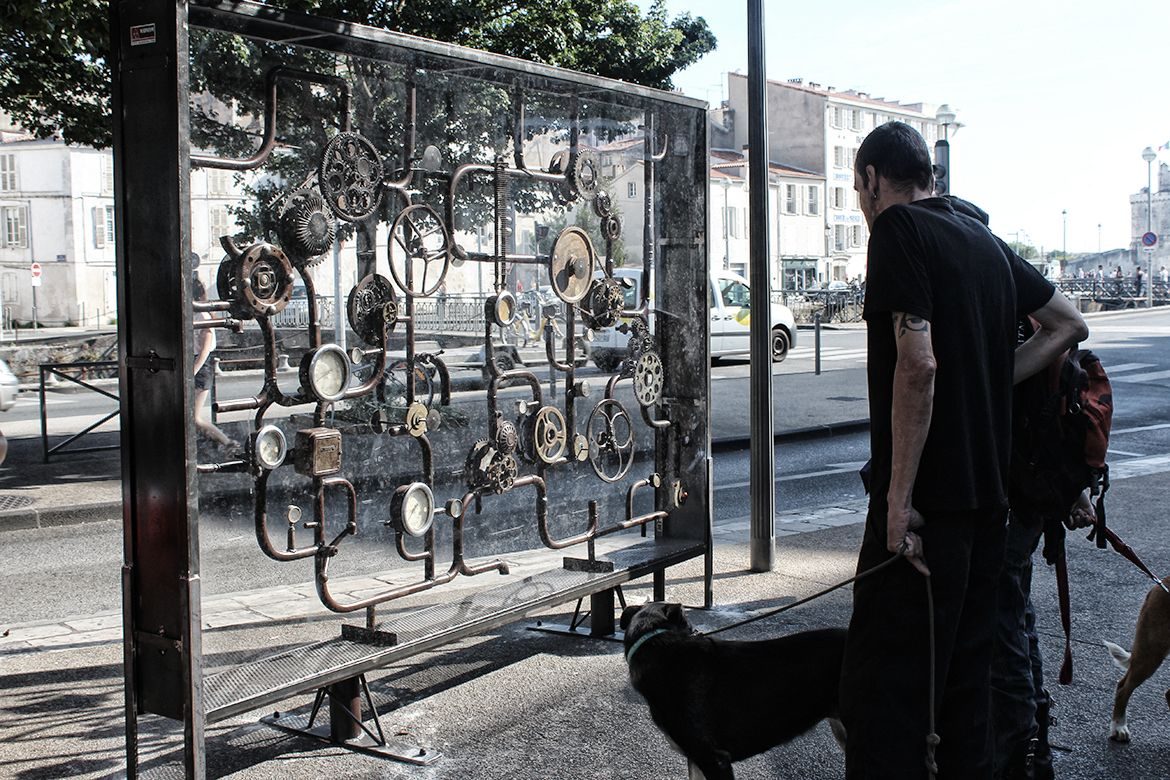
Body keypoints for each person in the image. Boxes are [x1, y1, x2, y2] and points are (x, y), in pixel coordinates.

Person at [838, 122, 1086, 780]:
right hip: (988, 511)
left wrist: (896, 505)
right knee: (964, 706)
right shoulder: (981, 235)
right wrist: (989, 372)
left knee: (885, 703)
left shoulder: (898, 232)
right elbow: (1068, 323)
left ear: (870, 180)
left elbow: (915, 367)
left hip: (925, 516)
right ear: (930, 175)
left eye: (858, 191)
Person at [192, 276, 236, 451]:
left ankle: (227, 443)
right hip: (195, 365)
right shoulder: (196, 313)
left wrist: (192, 372)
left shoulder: (203, 316)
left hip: (201, 367)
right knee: (189, 417)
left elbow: (204, 350)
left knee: (195, 418)